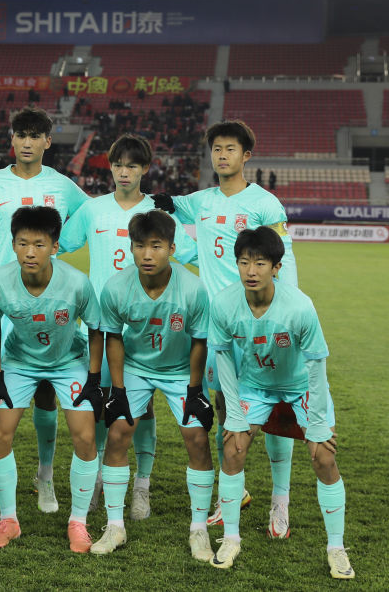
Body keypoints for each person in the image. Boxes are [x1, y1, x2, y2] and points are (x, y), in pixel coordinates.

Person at [0, 106, 88, 513]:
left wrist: (63, 247)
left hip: (44, 296)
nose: (26, 142)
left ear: (47, 141)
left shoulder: (62, 185)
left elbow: (88, 216)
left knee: (45, 392)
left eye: (34, 136)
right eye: (20, 135)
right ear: (12, 139)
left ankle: (45, 476)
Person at [165, 120, 299, 537]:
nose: (222, 156)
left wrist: (285, 315)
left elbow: (285, 260)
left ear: (246, 156)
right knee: (225, 407)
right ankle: (232, 495)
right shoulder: (200, 201)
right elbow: (167, 204)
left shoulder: (265, 203)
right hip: (217, 323)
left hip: (259, 320)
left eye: (230, 149)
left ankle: (280, 502)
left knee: (275, 411)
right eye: (217, 149)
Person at [58, 134, 197, 520]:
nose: (124, 172)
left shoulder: (159, 212)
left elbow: (191, 254)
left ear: (144, 169)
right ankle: (101, 476)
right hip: (101, 326)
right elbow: (57, 244)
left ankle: (142, 485)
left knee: (144, 408)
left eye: (132, 165)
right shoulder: (92, 210)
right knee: (101, 404)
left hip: (147, 326)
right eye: (118, 164)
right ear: (110, 166)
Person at [208, 226, 353, 579]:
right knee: (233, 449)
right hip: (255, 386)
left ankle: (336, 548)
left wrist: (316, 421)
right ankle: (231, 539)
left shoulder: (299, 306)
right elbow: (223, 356)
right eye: (244, 262)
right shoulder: (224, 304)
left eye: (260, 263)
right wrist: (234, 415)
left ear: (276, 267)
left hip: (301, 386)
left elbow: (316, 364)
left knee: (323, 457)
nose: (251, 271)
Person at [92, 211, 215, 560]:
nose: (147, 254)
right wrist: (117, 390)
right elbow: (113, 337)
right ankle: (115, 526)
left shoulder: (192, 288)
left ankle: (199, 530)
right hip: (136, 367)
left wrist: (195, 390)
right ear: (131, 247)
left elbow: (200, 341)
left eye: (156, 246)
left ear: (172, 248)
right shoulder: (116, 287)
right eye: (140, 246)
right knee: (118, 433)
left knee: (197, 438)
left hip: (180, 371)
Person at [0, 207, 104, 553]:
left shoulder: (76, 283)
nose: (30, 252)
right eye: (23, 243)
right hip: (19, 362)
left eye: (39, 244)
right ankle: (9, 520)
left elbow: (96, 329)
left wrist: (94, 378)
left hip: (68, 362)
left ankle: (78, 522)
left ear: (55, 246)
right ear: (13, 244)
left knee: (85, 436)